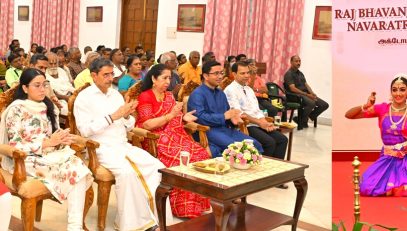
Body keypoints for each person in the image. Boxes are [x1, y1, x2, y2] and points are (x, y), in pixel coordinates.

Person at [74, 58, 171, 230]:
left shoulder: (115, 94)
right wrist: (113, 116)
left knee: (157, 166)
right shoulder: (84, 98)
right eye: (106, 75)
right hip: (100, 148)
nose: (110, 78)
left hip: (122, 145)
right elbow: (85, 130)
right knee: (127, 173)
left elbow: (128, 126)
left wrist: (127, 116)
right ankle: (132, 224)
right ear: (94, 76)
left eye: (112, 74)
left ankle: (156, 219)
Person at [0, 68, 93, 230]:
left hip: (47, 155)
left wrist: (61, 139)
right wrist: (48, 143)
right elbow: (14, 147)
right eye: (37, 85)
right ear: (25, 88)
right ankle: (75, 226)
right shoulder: (16, 109)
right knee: (76, 170)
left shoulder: (46, 106)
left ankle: (75, 226)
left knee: (79, 167)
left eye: (45, 84)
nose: (43, 89)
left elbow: (49, 136)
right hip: (25, 160)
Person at [136, 64, 210, 218]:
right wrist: (170, 116)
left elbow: (174, 119)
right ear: (153, 79)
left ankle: (196, 204)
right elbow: (147, 124)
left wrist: (183, 117)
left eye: (169, 78)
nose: (168, 81)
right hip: (155, 139)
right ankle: (181, 207)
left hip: (175, 134)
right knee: (182, 160)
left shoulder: (169, 96)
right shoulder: (146, 96)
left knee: (201, 154)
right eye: (164, 78)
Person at [345, 75, 407, 197]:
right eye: (394, 90)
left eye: (402, 89)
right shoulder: (382, 109)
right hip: (387, 159)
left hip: (405, 159)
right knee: (365, 186)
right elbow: (349, 115)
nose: (398, 93)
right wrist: (366, 105)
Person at [187, 60, 263, 157]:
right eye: (216, 73)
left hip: (224, 129)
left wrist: (233, 119)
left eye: (221, 73)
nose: (220, 76)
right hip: (208, 131)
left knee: (254, 144)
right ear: (206, 76)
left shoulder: (220, 93)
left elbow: (228, 114)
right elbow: (200, 117)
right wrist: (224, 116)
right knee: (238, 149)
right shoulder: (197, 94)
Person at [225, 61, 288, 160]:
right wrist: (260, 122)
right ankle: (263, 172)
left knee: (282, 139)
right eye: (242, 73)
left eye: (247, 72)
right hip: (246, 125)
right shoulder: (230, 90)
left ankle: (274, 171)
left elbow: (257, 110)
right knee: (269, 142)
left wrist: (264, 122)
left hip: (258, 123)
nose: (246, 75)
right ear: (234, 74)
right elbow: (239, 113)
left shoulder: (249, 90)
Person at [284, 55, 329, 129]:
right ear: (291, 62)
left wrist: (312, 93)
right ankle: (302, 120)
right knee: (312, 103)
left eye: (299, 61)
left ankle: (302, 119)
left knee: (324, 105)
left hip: (305, 94)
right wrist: (307, 95)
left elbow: (306, 85)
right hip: (296, 95)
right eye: (296, 61)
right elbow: (293, 89)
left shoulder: (300, 73)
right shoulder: (289, 74)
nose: (298, 63)